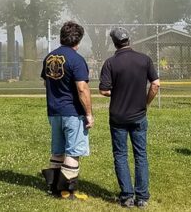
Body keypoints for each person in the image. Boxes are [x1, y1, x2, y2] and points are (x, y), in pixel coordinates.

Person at [99, 27, 160, 209]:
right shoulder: (144, 60)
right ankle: (142, 197)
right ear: (129, 40)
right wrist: (145, 103)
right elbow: (155, 85)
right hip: (139, 115)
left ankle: (127, 197)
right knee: (140, 155)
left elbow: (104, 90)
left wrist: (117, 93)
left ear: (114, 43)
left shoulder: (110, 63)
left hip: (118, 116)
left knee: (121, 155)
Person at [40, 21, 93, 201]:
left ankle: (53, 187)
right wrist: (88, 114)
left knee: (58, 151)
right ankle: (68, 191)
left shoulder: (49, 57)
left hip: (53, 112)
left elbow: (46, 82)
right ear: (78, 40)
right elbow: (82, 89)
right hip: (72, 112)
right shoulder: (76, 59)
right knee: (73, 152)